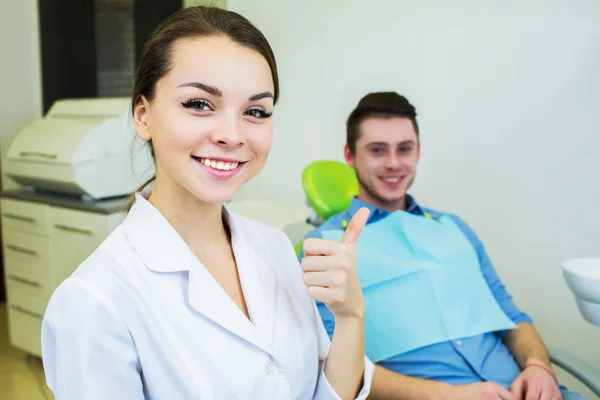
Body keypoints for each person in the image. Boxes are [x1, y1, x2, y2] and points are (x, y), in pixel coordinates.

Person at [41, 6, 375, 399]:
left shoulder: (275, 247)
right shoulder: (93, 300)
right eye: (199, 104)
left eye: (255, 111)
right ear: (143, 116)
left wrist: (351, 316)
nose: (232, 135)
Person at [300, 92, 586, 400]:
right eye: (378, 150)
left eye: (404, 149)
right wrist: (449, 395)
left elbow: (510, 315)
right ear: (350, 156)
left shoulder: (453, 228)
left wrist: (538, 367)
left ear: (418, 152)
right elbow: (334, 363)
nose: (394, 163)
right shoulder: (327, 246)